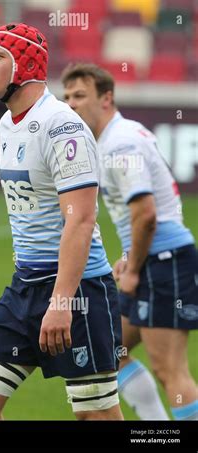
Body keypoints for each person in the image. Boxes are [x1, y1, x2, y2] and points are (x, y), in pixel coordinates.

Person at [0, 24, 123, 421]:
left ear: (25, 65)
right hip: (25, 287)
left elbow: (82, 220)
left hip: (78, 290)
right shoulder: (6, 124)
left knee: (95, 416)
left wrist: (62, 302)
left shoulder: (62, 127)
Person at [62, 63, 198, 421]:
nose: (71, 105)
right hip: (152, 257)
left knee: (170, 369)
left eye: (80, 96)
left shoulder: (120, 143)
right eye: (67, 97)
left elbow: (148, 213)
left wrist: (134, 267)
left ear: (106, 99)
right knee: (107, 350)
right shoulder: (117, 137)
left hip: (162, 262)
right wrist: (129, 254)